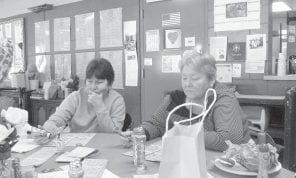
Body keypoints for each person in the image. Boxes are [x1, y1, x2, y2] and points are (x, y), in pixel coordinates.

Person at [122, 50, 250, 151]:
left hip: (231, 164)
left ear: (211, 80)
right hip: (191, 160)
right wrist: (140, 133)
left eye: (195, 78)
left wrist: (182, 133)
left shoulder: (223, 98)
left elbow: (230, 139)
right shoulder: (175, 98)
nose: (188, 84)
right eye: (184, 78)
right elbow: (157, 124)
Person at [42, 58, 126, 134]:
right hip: (78, 145)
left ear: (109, 84)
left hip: (105, 146)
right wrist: (49, 127)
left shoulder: (117, 100)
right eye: (89, 82)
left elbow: (114, 134)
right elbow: (57, 119)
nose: (93, 87)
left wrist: (99, 106)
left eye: (99, 82)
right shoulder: (76, 97)